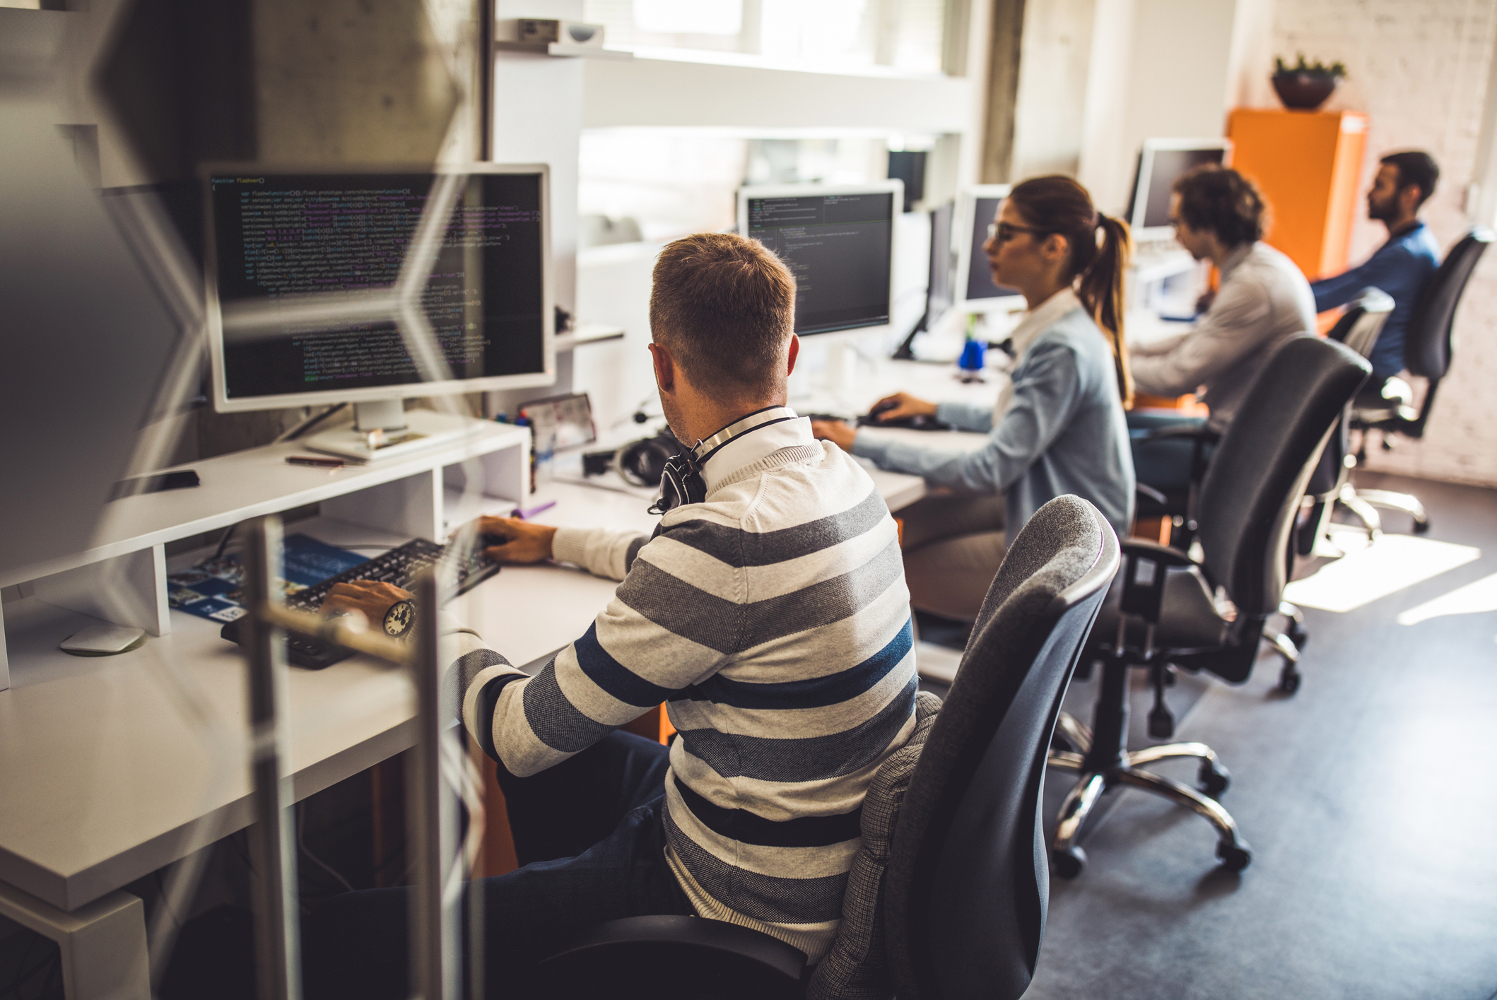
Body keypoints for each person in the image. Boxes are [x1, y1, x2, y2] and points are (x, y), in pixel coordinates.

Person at [298, 233, 916, 998]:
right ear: (788, 355)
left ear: (660, 364)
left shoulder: (721, 546)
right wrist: (556, 539)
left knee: (327, 938)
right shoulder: (835, 474)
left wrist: (413, 620)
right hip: (789, 853)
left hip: (731, 903)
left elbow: (518, 738)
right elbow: (712, 579)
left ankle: (584, 954)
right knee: (573, 749)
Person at [811, 175, 1135, 622]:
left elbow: (991, 468)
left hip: (1069, 547)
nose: (988, 247)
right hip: (1052, 507)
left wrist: (858, 440)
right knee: (879, 532)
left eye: (1005, 233)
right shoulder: (1063, 326)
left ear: (1054, 247)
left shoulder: (1061, 346)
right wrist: (936, 408)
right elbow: (1018, 419)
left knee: (874, 571)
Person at [1127, 165, 1316, 494]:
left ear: (1208, 226)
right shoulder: (1257, 266)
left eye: (1179, 223)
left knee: (1085, 450)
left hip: (1236, 451)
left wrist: (1110, 367)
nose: (1175, 235)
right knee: (1111, 428)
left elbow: (1175, 379)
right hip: (1244, 435)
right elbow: (1201, 337)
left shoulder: (1252, 287)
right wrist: (1128, 348)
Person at [1309, 150, 1441, 383]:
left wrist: (1279, 294)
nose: (1369, 193)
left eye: (1380, 185)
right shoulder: (1418, 243)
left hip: (1367, 369)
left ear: (1410, 195)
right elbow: (1348, 280)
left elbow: (1332, 295)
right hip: (1378, 363)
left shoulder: (1405, 255)